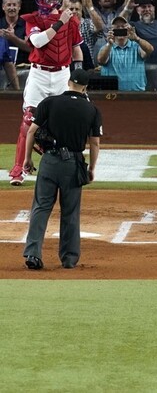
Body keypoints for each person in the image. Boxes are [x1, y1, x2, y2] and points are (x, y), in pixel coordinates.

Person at [21, 69, 102, 270]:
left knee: (41, 208)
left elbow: (31, 131)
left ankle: (32, 254)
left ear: (68, 82)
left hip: (49, 161)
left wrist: (27, 159)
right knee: (70, 212)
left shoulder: (49, 102)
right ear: (85, 87)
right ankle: (69, 259)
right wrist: (91, 168)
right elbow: (95, 144)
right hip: (73, 165)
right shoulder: (91, 110)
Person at [10, 0, 83, 186]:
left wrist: (79, 75)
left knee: (64, 121)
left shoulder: (72, 20)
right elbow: (38, 41)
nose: (45, 0)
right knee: (28, 120)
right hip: (39, 73)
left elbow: (76, 50)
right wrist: (60, 22)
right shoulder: (32, 19)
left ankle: (65, 164)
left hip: (62, 75)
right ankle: (19, 169)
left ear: (58, 0)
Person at [96, 16, 153, 91]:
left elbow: (150, 49)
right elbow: (100, 60)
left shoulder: (136, 46)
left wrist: (137, 38)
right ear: (111, 31)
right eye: (117, 27)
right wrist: (109, 44)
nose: (120, 29)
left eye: (123, 27)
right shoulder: (107, 48)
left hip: (137, 94)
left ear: (129, 29)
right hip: (111, 95)